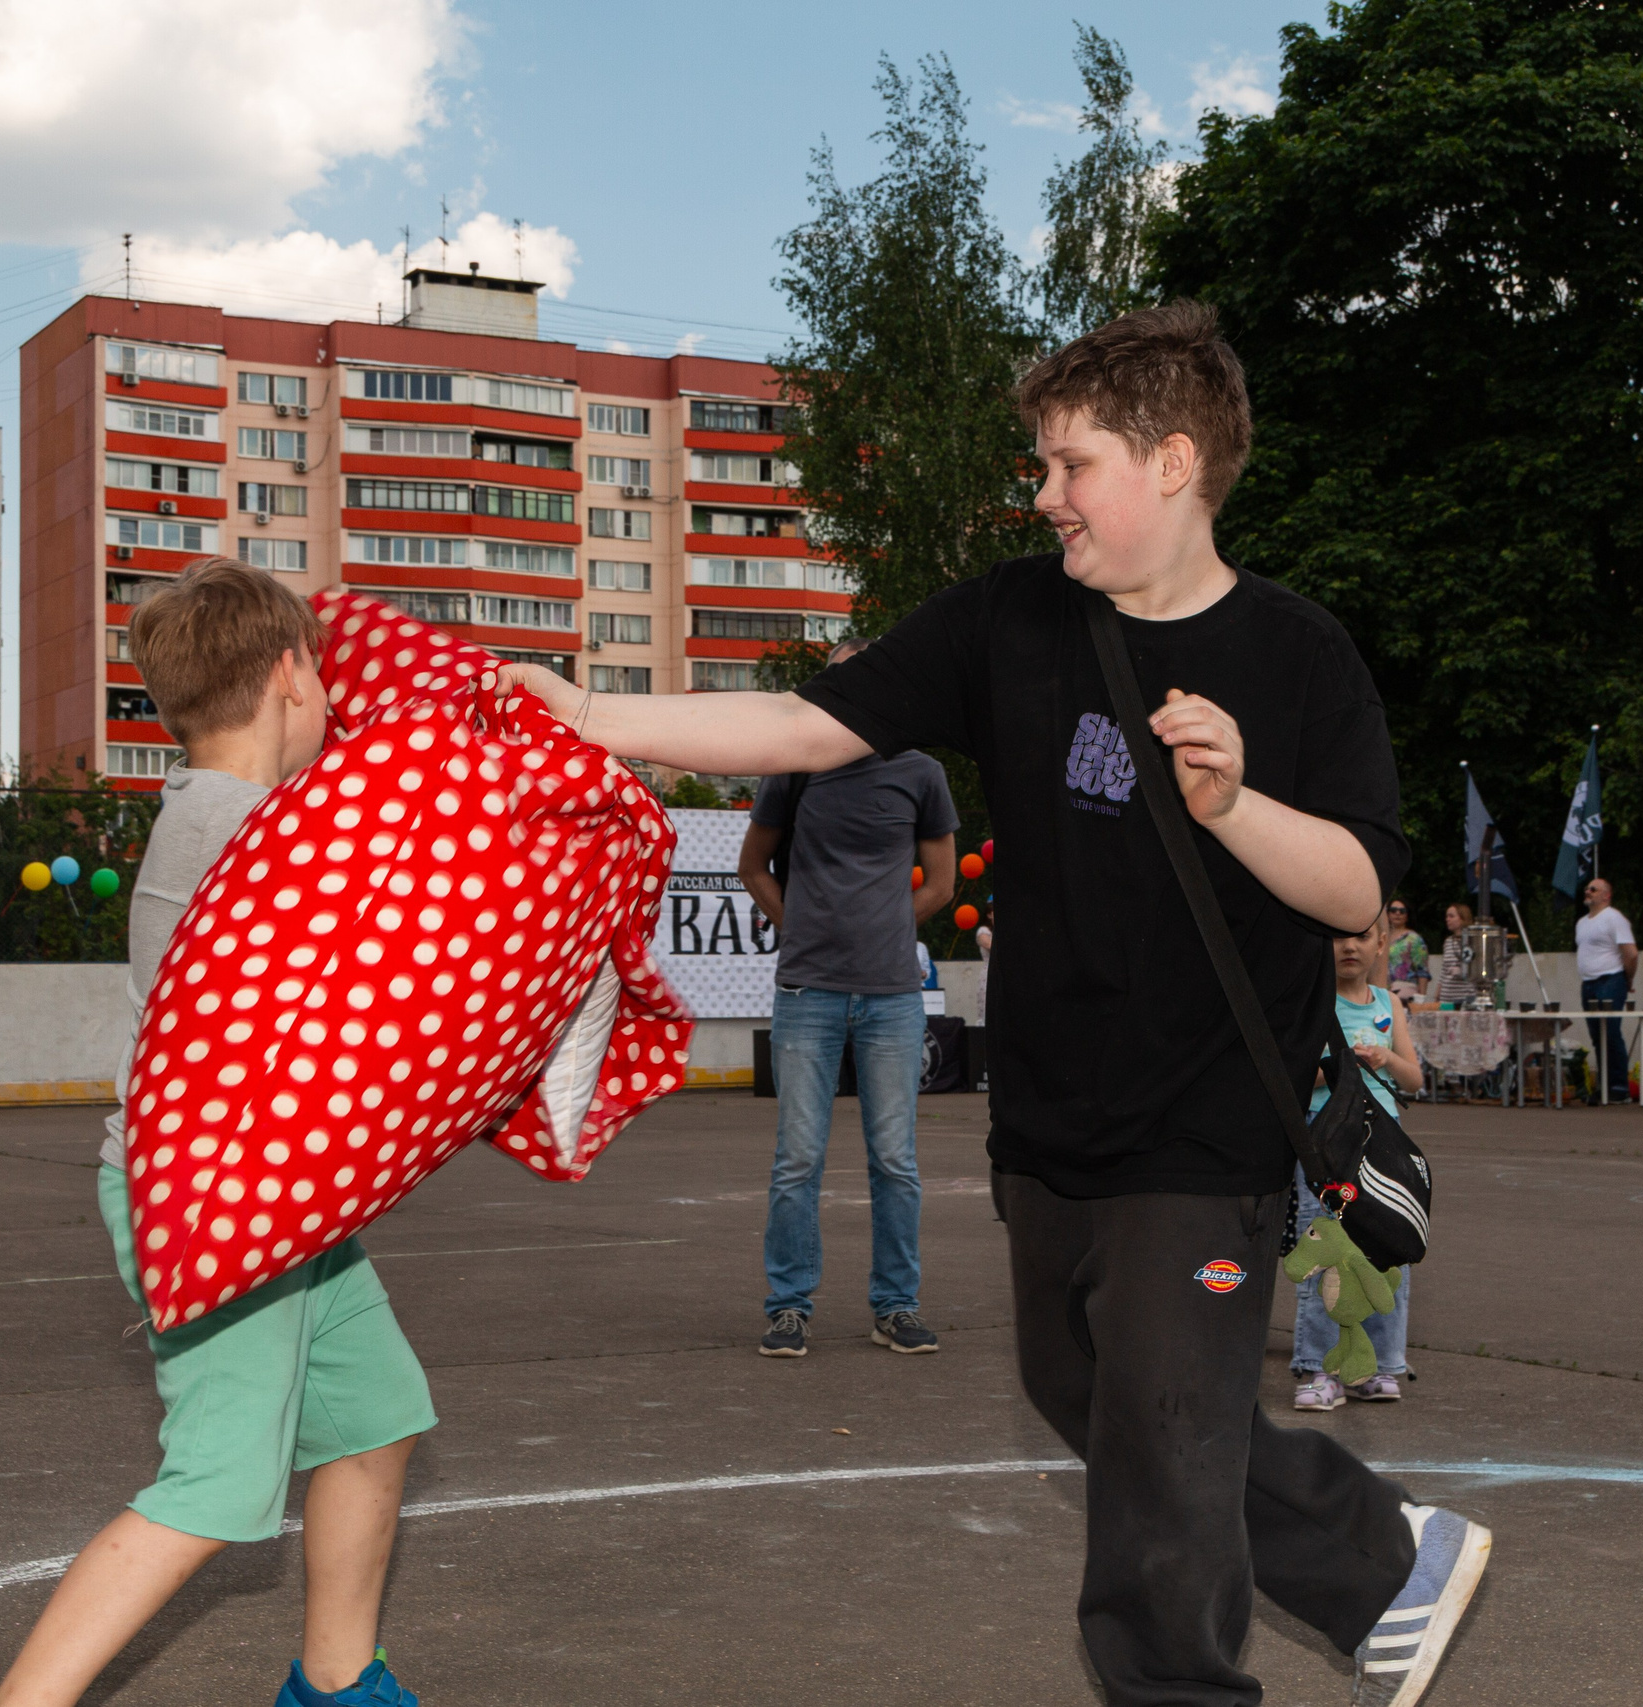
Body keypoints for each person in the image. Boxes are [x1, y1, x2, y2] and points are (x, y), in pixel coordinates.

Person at [494, 302, 1489, 1707]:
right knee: (1093, 1395)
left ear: (1172, 461)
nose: (1046, 495)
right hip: (1051, 1116)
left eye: (1070, 464)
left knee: (1156, 1463)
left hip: (1207, 1133)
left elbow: (1354, 891)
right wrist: (594, 716)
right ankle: (1385, 1561)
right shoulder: (1008, 618)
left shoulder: (1299, 654)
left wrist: (1235, 801)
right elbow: (803, 725)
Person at [0, 560, 436, 1707]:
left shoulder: (216, 812)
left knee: (375, 1417)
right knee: (214, 1486)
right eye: (324, 677)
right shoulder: (254, 830)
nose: (335, 700)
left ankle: (336, 1682)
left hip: (279, 1200)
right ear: (290, 672)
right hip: (221, 1203)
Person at [738, 642, 959, 1358]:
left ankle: (895, 1306)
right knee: (796, 1159)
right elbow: (753, 865)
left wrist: (892, 928)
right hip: (807, 990)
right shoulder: (795, 767)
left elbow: (941, 882)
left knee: (894, 1159)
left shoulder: (920, 772)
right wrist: (796, 922)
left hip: (892, 996)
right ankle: (788, 1307)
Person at [1293, 912, 1423, 1410]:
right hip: (1327, 1146)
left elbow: (1413, 1080)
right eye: (1339, 937)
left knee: (1389, 1252)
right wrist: (1338, 1068)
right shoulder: (1313, 1005)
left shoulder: (1390, 1004)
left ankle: (1379, 1365)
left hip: (1382, 1148)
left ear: (1381, 943)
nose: (1351, 947)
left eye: (1363, 937)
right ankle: (1317, 1371)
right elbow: (1295, 1083)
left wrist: (1385, 1059)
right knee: (1326, 1254)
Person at [1575, 877, 1638, 1102]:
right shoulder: (1582, 922)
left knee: (1610, 1033)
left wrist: (1627, 979)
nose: (1588, 892)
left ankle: (1619, 1087)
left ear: (1606, 895)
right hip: (1589, 983)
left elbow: (1630, 953)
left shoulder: (1614, 918)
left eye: (1594, 889)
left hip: (1610, 979)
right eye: (1587, 888)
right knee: (1597, 1036)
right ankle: (1603, 1085)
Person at [1431, 901, 1478, 1008]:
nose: (1447, 919)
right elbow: (1444, 969)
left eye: (1451, 916)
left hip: (1465, 997)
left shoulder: (1473, 942)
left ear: (1462, 918)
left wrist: (1462, 971)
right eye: (1447, 916)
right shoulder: (1448, 941)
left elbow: (1476, 968)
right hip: (1446, 997)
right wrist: (1438, 992)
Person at [1382, 898, 1429, 1003]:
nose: (1397, 913)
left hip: (1406, 994)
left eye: (1402, 911)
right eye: (1393, 910)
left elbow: (1422, 971)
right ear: (1388, 914)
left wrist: (1421, 999)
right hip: (1383, 991)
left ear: (1407, 915)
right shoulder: (1383, 938)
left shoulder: (1414, 939)